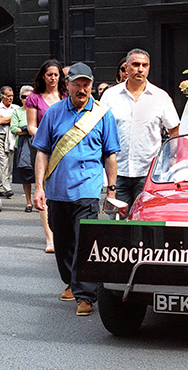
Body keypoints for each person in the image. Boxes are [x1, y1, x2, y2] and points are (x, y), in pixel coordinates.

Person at [33, 62, 120, 316]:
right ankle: (71, 281)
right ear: (68, 85)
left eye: (86, 85)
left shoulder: (103, 115)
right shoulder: (54, 112)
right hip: (57, 189)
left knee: (85, 241)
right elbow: (42, 151)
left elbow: (110, 155)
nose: (82, 89)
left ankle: (86, 295)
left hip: (88, 188)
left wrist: (111, 190)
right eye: (77, 84)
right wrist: (39, 187)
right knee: (62, 241)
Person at [100, 49, 180, 212]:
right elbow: (100, 130)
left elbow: (174, 131)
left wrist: (171, 160)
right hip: (117, 173)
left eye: (145, 65)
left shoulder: (160, 97)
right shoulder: (110, 95)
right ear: (126, 67)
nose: (140, 69)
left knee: (145, 219)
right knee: (119, 221)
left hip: (149, 173)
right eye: (136, 65)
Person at [27, 60, 66, 253]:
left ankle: (63, 233)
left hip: (65, 149)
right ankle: (50, 237)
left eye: (56, 75)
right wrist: (47, 138)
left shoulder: (66, 96)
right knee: (44, 190)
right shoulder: (34, 98)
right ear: (43, 76)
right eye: (49, 74)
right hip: (44, 149)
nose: (53, 78)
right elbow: (31, 126)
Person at [0, 86, 18, 198]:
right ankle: (7, 188)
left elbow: (18, 121)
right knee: (3, 161)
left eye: (12, 96)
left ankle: (0, 186)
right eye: (8, 96)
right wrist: (12, 118)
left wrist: (6, 119)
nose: (10, 98)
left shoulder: (16, 108)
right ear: (2, 97)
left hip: (11, 137)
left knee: (9, 162)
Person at [11, 85, 35, 213]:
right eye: (24, 97)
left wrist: (27, 129)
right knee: (26, 174)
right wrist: (28, 130)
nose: (26, 99)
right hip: (22, 145)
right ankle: (28, 202)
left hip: (37, 143)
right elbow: (14, 129)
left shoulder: (37, 110)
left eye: (29, 97)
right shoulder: (17, 111)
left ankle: (41, 200)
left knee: (41, 174)